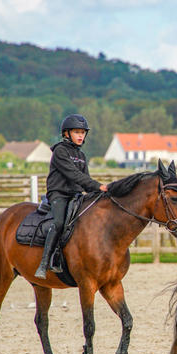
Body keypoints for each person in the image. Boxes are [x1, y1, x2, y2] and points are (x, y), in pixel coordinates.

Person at [34, 114, 108, 279]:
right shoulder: (60, 151)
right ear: (66, 133)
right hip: (58, 194)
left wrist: (97, 194)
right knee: (59, 222)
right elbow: (74, 175)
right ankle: (44, 263)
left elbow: (85, 179)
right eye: (77, 132)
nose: (81, 135)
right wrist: (98, 186)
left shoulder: (81, 156)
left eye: (83, 132)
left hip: (76, 195)